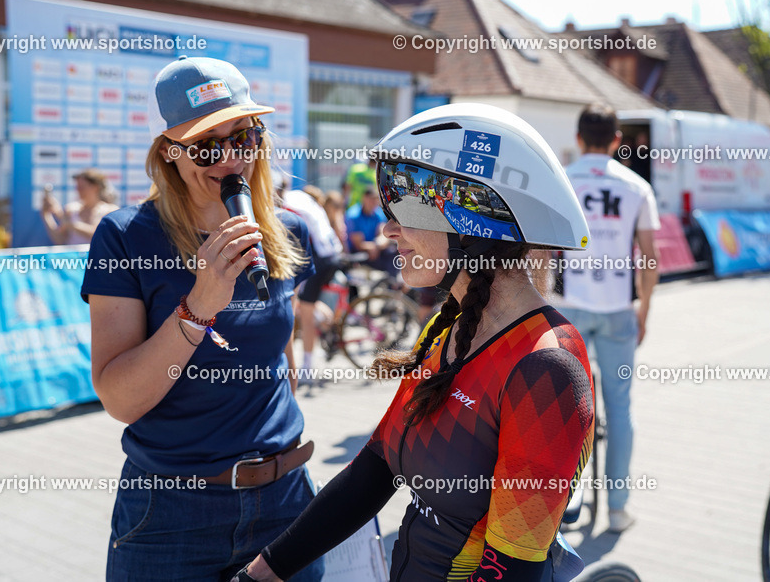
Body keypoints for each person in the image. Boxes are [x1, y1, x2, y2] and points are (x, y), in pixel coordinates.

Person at [234, 103, 593, 582]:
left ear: (475, 219)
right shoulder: (447, 329)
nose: (388, 228)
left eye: (404, 206)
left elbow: (513, 570)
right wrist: (262, 573)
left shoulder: (547, 368)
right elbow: (374, 470)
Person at [80, 56, 323, 581]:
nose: (230, 158)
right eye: (207, 145)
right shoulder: (125, 237)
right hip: (173, 513)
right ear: (168, 152)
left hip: (286, 501)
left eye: (244, 137)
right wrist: (199, 306)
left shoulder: (288, 231)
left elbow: (276, 358)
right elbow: (120, 400)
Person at [556, 110, 660, 533]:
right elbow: (650, 258)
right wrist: (644, 310)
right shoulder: (637, 186)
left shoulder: (561, 180)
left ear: (578, 137)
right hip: (618, 308)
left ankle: (562, 507)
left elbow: (539, 252)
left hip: (568, 308)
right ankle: (617, 509)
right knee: (619, 408)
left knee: (562, 410)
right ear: (616, 140)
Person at [276, 172, 345, 376]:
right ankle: (326, 319)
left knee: (304, 313)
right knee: (304, 303)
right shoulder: (299, 197)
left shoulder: (285, 206)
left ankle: (306, 369)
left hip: (320, 258)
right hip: (332, 254)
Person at [41, 168, 118, 244]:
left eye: (82, 187)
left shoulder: (110, 210)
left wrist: (71, 224)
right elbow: (60, 240)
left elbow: (99, 235)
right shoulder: (71, 209)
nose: (78, 190)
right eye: (77, 187)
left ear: (95, 187)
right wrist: (46, 215)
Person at [345, 187, 397, 274]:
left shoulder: (378, 213)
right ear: (364, 198)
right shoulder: (353, 215)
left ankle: (392, 280)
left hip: (375, 247)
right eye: (371, 199)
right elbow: (358, 244)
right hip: (358, 251)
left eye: (376, 199)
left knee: (392, 250)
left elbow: (383, 235)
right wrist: (373, 247)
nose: (374, 202)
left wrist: (376, 246)